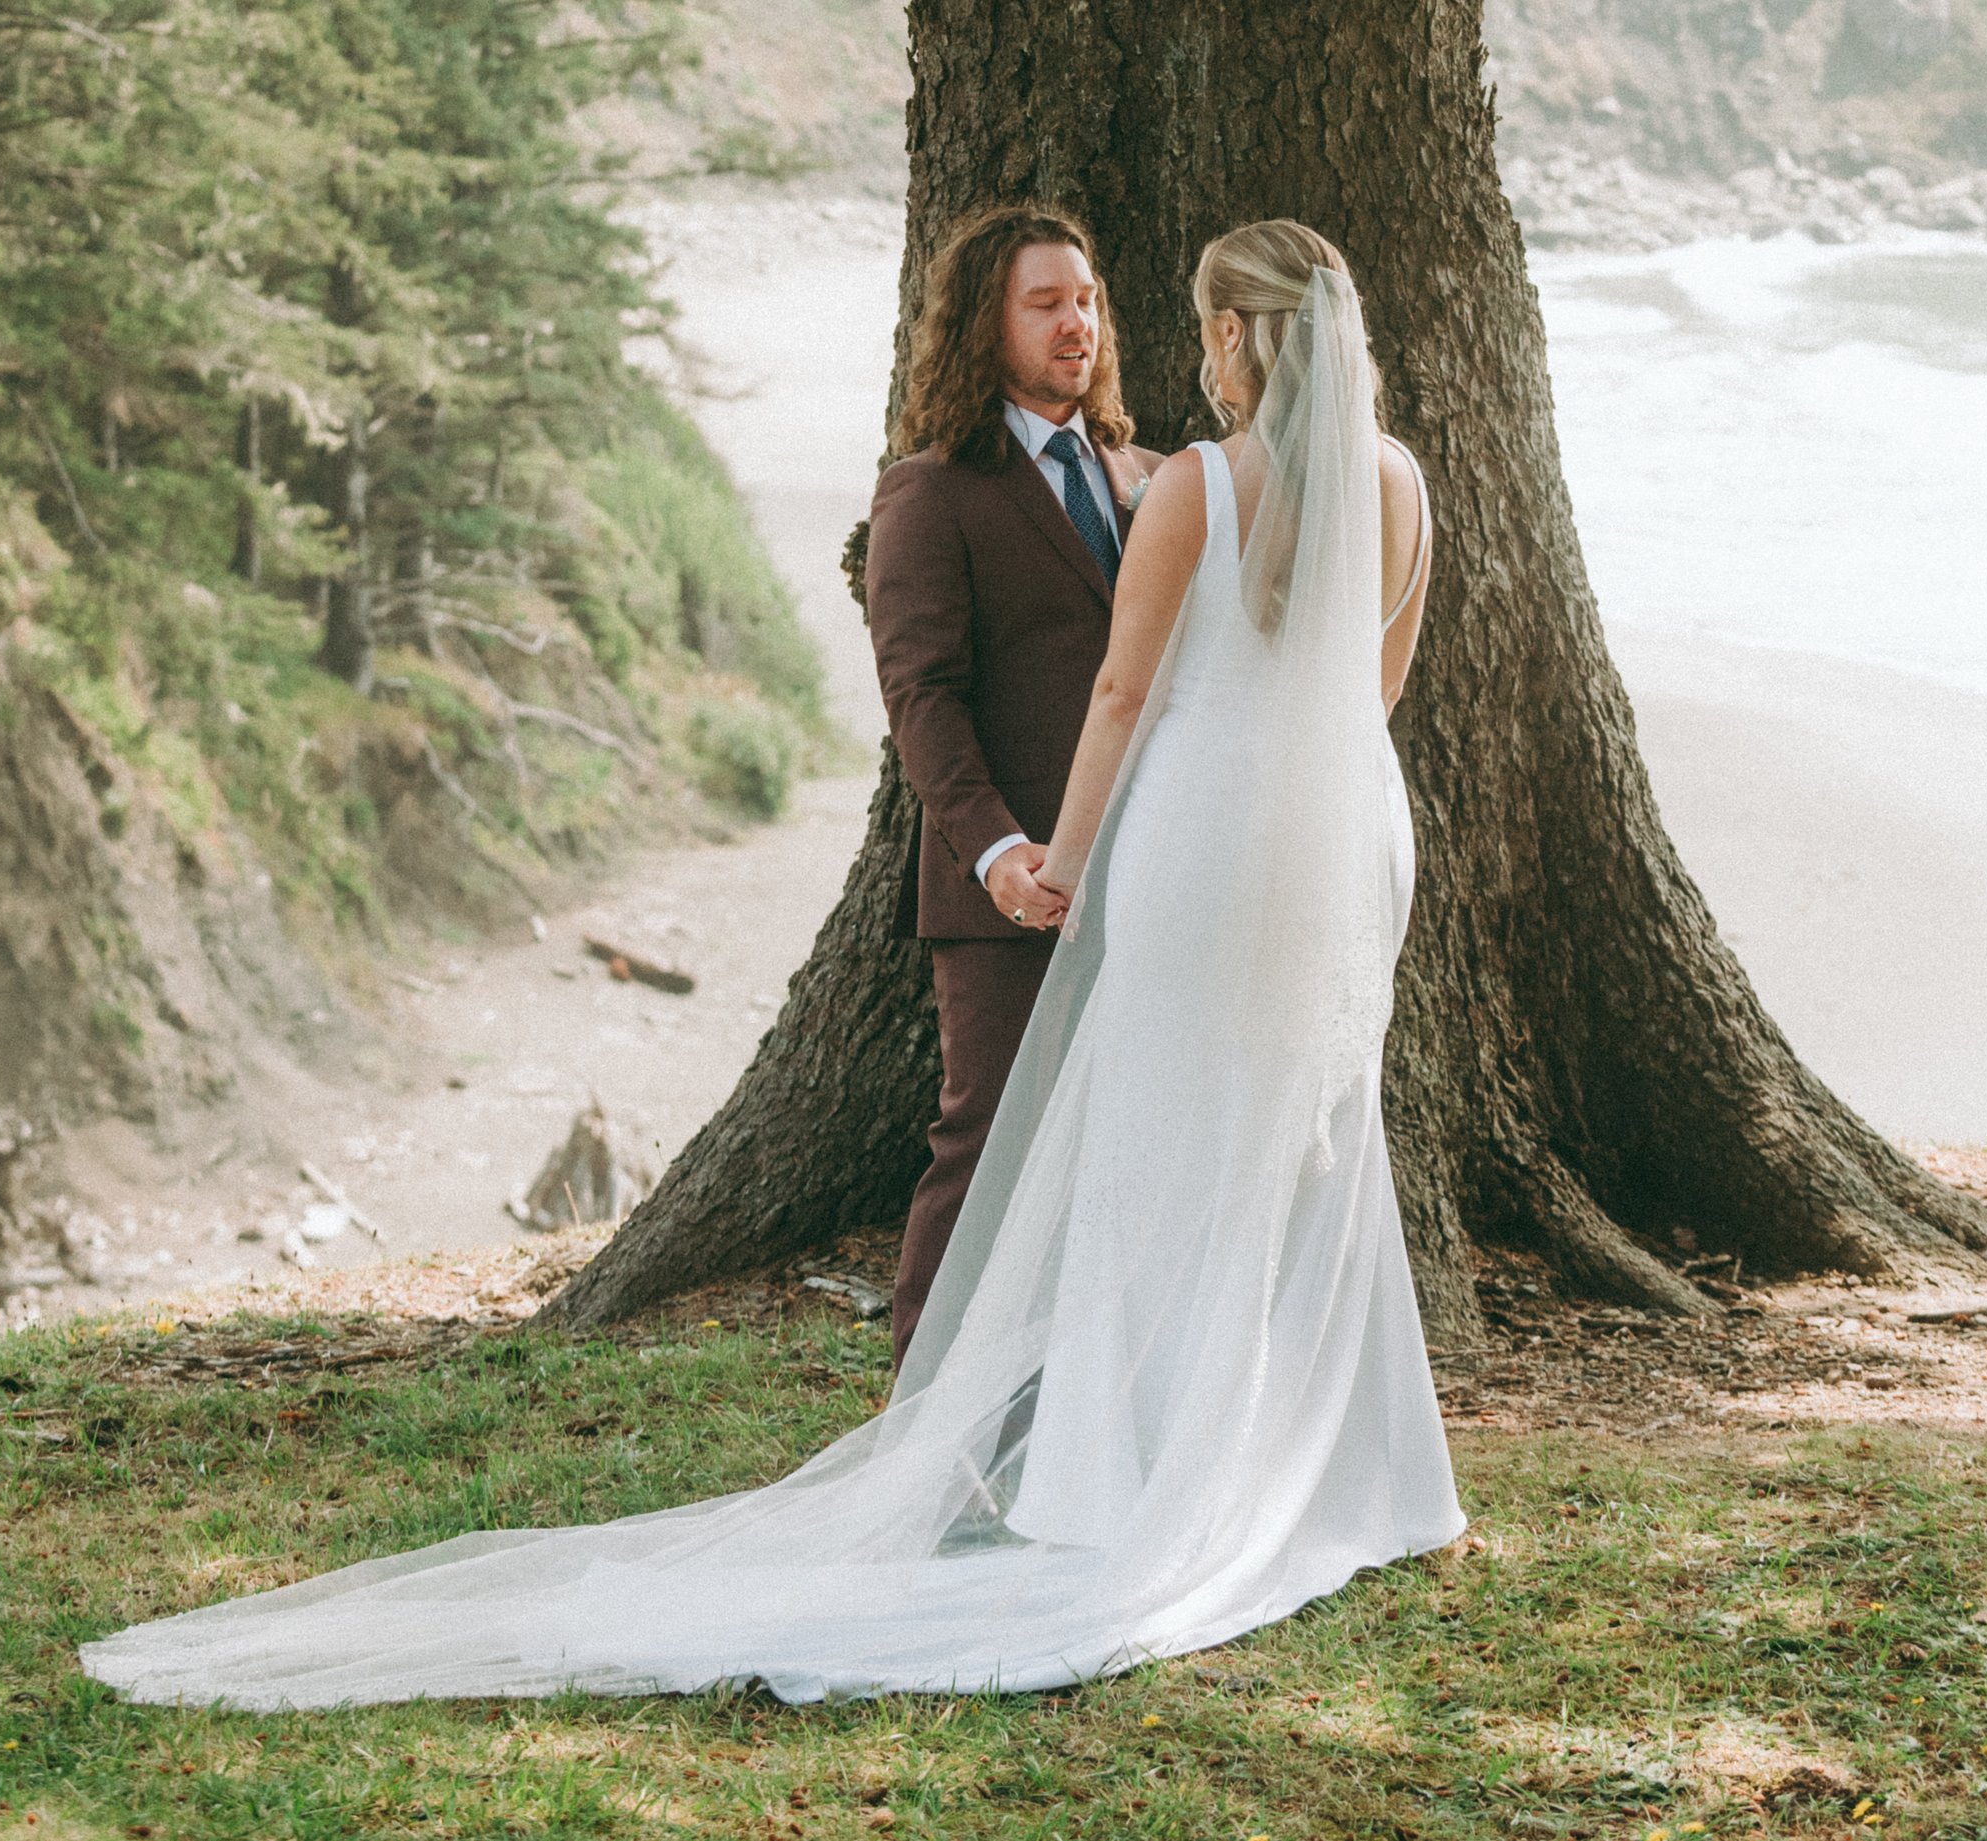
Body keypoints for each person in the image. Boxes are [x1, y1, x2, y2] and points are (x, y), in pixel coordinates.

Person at [78, 220, 1462, 1709]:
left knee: (1162, 1139)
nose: (1095, 328)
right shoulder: (1397, 486)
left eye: (1118, 308)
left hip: (1190, 833)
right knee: (1300, 1135)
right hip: (1337, 841)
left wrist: (1073, 852)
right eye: (1050, 302)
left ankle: (1132, 1474)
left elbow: (1126, 686)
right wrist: (1046, 844)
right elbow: (1359, 696)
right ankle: (1300, 1460)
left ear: (1243, 336)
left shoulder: (1180, 479)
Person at [862, 204, 1162, 1362]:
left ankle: (1073, 1411)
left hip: (1145, 871)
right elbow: (920, 696)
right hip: (1009, 892)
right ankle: (923, 1423)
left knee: (1123, 1148)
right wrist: (998, 852)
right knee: (986, 1146)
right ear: (985, 327)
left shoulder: (1145, 477)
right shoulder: (932, 491)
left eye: (1085, 300)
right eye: (1045, 303)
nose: (1074, 323)